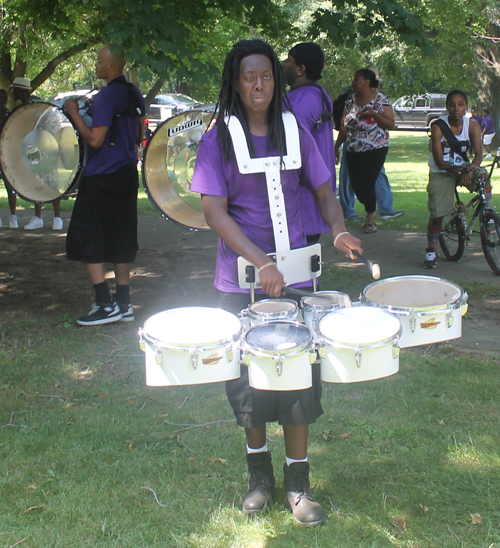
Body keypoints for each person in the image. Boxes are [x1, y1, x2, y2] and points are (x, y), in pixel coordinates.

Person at [191, 39, 362, 527]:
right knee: (248, 384)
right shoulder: (218, 137)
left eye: (265, 75)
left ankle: (298, 484)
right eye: (249, 77)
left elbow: (324, 191)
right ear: (235, 81)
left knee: (297, 380)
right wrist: (260, 260)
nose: (258, 84)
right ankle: (258, 478)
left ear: (276, 78)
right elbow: (212, 211)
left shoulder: (294, 130)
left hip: (295, 277)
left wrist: (339, 227)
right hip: (241, 279)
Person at [63, 45, 145, 326]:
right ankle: (124, 303)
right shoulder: (134, 93)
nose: (96, 66)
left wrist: (74, 112)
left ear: (112, 66)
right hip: (126, 174)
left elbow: (95, 140)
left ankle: (103, 304)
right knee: (121, 237)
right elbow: (139, 133)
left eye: (99, 62)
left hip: (102, 176)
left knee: (88, 236)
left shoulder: (107, 96)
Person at [282, 42, 336, 244]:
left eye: (288, 60)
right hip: (306, 203)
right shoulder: (306, 94)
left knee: (297, 271)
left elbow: (290, 138)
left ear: (300, 69)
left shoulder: (306, 97)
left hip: (305, 203)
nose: (283, 64)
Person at [424, 90, 482, 269]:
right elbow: (440, 160)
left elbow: (478, 156)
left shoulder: (472, 125)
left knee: (484, 178)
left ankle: (488, 218)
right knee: (438, 214)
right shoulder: (438, 126)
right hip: (443, 171)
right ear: (447, 106)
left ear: (466, 106)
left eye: (461, 104)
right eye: (452, 104)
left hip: (464, 169)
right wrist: (458, 170)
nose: (456, 108)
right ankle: (432, 250)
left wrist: (468, 169)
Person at [335, 69, 395, 234]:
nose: (353, 82)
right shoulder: (351, 100)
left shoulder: (380, 99)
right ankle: (371, 207)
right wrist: (336, 147)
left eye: (356, 79)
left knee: (368, 182)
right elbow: (345, 125)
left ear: (367, 82)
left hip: (376, 147)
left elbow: (391, 124)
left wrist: (374, 115)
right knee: (356, 185)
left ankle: (370, 218)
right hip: (353, 147)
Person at [8, 78, 64, 230]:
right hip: (39, 148)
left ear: (21, 90)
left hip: (45, 148)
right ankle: (46, 218)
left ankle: (55, 217)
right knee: (39, 183)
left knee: (50, 182)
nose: (13, 93)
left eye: (15, 90)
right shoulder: (28, 105)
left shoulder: (35, 105)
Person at [0, 88, 19, 229]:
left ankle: (13, 216)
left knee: (11, 187)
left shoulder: (9, 114)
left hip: (7, 155)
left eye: (3, 98)